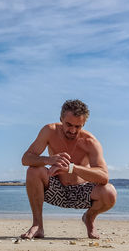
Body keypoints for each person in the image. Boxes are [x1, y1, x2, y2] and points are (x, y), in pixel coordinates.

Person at [21, 99, 117, 239]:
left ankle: (89, 218)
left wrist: (71, 168)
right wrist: (49, 160)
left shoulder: (90, 142)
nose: (72, 130)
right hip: (55, 189)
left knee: (110, 192)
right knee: (33, 170)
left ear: (84, 124)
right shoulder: (49, 131)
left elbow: (103, 176)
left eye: (78, 126)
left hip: (82, 192)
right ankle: (37, 226)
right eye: (68, 124)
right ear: (61, 119)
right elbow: (26, 159)